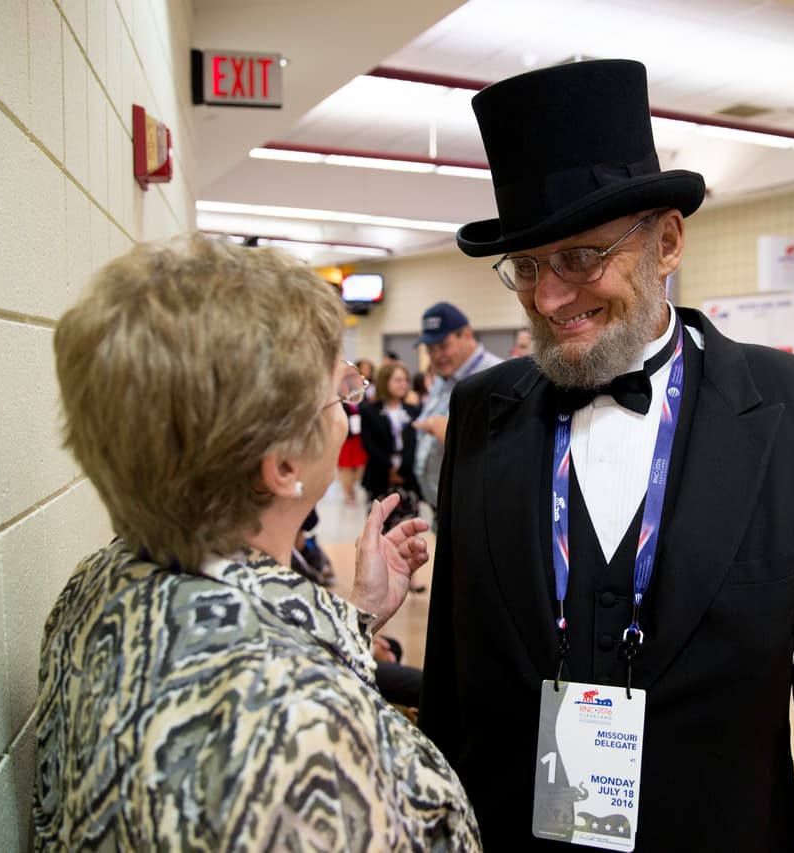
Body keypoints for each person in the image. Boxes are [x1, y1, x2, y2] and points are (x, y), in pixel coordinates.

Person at [419, 59, 794, 851]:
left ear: (666, 241)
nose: (549, 297)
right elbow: (452, 683)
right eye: (528, 267)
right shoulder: (480, 411)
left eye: (581, 258)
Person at [37, 235, 479, 849]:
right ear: (282, 465)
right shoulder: (305, 732)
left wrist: (359, 618)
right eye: (340, 394)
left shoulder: (90, 593)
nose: (349, 407)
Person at [411, 301, 503, 508]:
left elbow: (499, 449)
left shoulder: (495, 378)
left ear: (467, 335)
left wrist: (444, 430)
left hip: (474, 506)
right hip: (442, 504)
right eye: (430, 349)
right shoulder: (445, 376)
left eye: (443, 346)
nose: (436, 356)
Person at [360, 361, 423, 532]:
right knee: (380, 530)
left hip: (407, 478)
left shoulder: (413, 410)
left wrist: (402, 469)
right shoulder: (369, 411)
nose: (403, 384)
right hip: (380, 477)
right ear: (385, 382)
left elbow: (415, 444)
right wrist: (389, 469)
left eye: (405, 380)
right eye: (398, 380)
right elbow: (369, 444)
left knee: (407, 530)